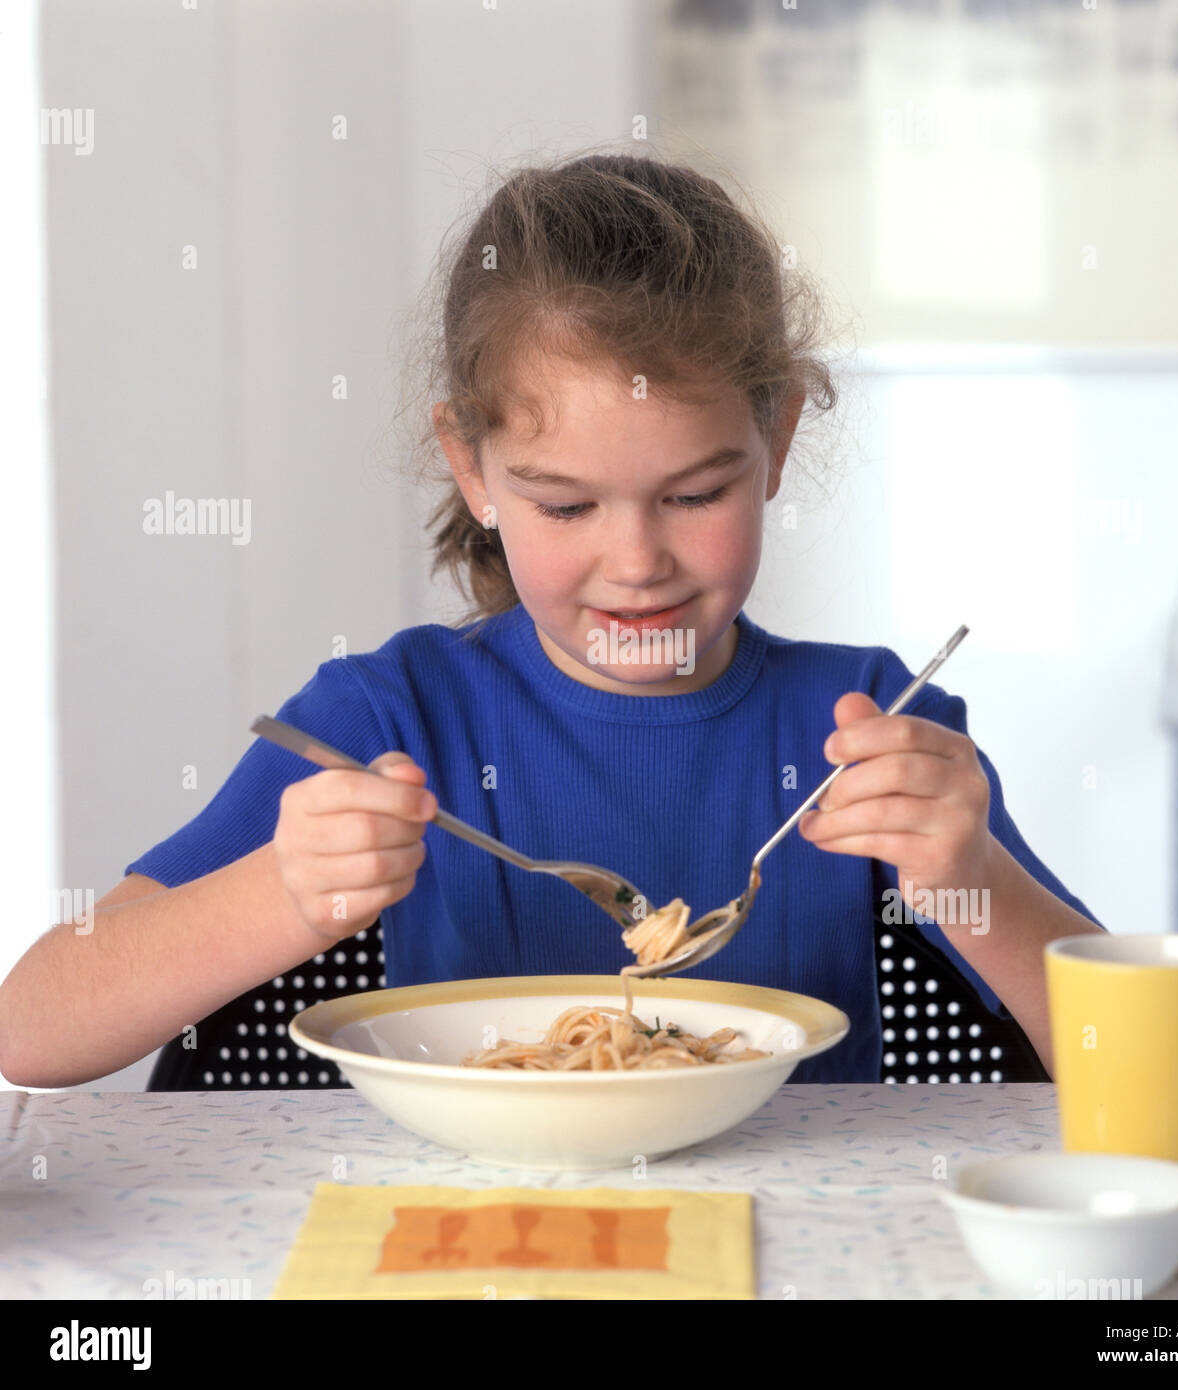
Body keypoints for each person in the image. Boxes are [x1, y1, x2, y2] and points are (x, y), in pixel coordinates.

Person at [0, 150, 1105, 1091]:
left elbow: (1123, 1059)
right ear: (470, 469)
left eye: (694, 494)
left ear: (774, 441)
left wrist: (972, 880)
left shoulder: (868, 724)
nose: (635, 563)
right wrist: (280, 895)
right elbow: (33, 1028)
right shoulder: (384, 718)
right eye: (565, 504)